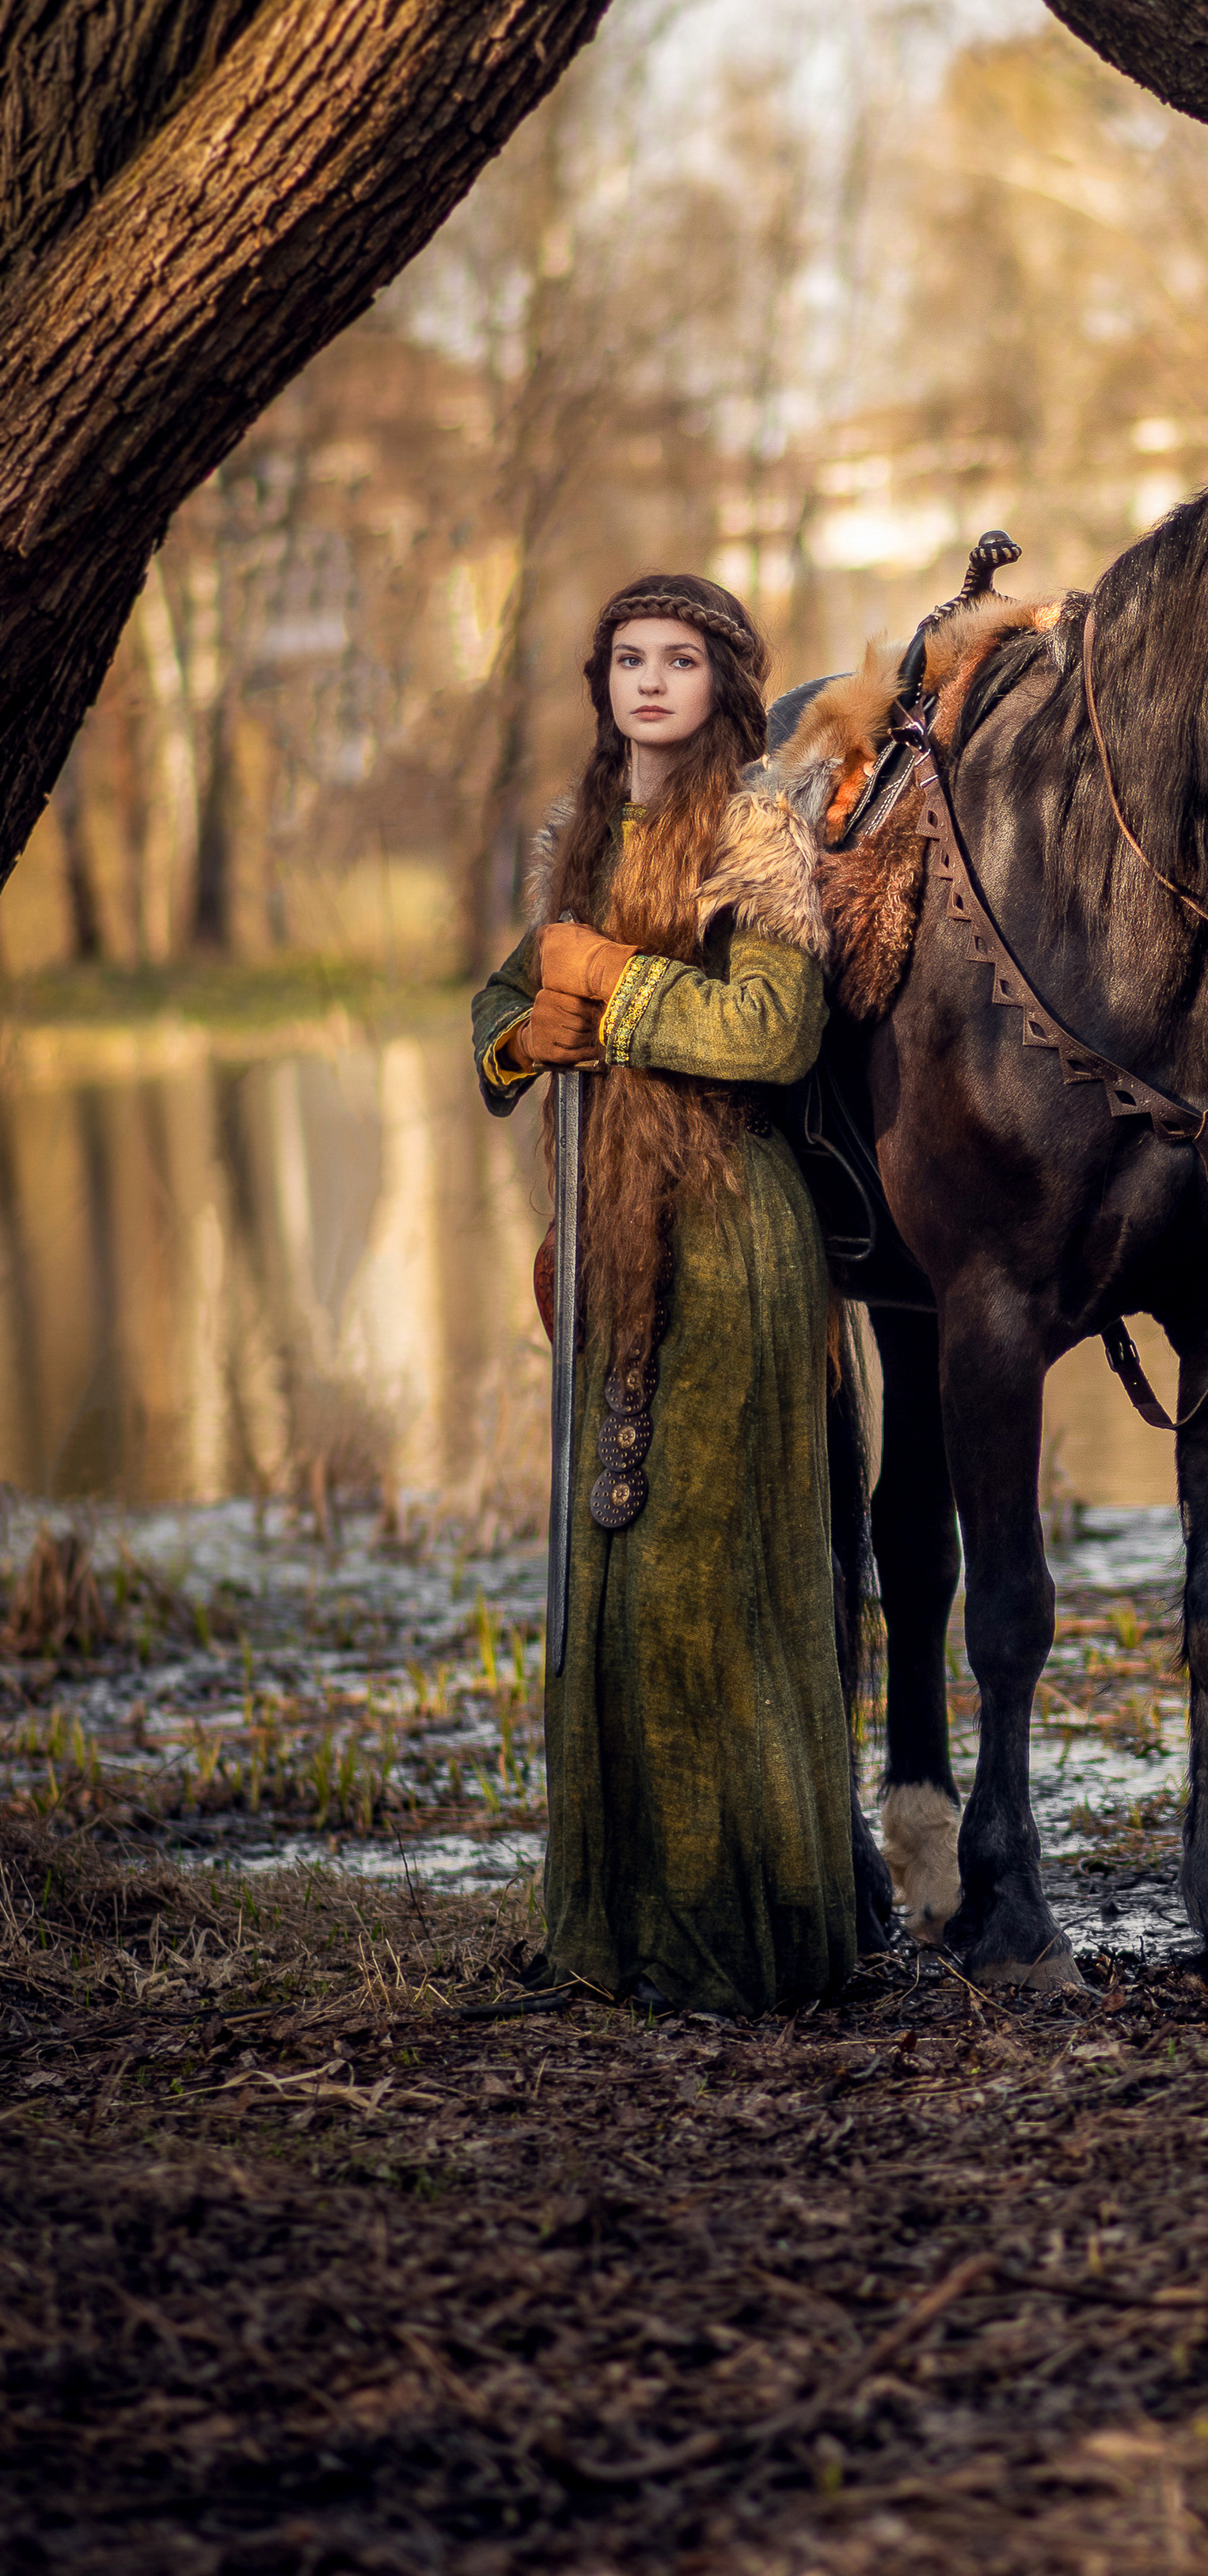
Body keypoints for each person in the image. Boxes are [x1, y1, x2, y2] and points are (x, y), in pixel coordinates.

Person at [470, 572, 858, 2016]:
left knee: (705, 1588)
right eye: (627, 658)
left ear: (722, 684)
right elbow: (500, 1012)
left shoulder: (756, 831)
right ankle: (611, 1938)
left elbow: (771, 1033)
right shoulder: (573, 843)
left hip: (735, 1235)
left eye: (678, 660)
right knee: (612, 1593)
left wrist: (615, 990)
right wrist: (535, 1032)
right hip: (605, 1242)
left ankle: (741, 1942)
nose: (649, 682)